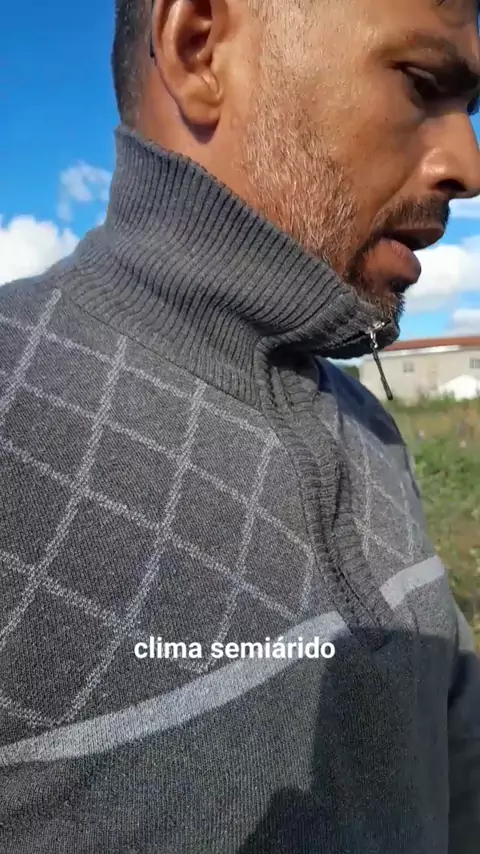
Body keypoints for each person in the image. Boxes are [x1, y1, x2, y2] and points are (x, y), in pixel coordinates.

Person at [0, 0, 479, 850]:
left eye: (469, 109)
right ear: (199, 48)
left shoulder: (369, 424)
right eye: (420, 82)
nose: (467, 166)